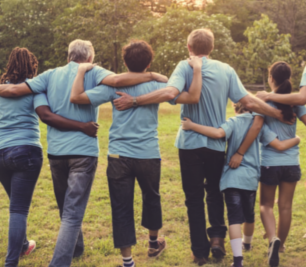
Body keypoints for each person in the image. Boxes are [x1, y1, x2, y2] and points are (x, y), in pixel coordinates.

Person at [112, 29, 292, 266]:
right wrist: (277, 113)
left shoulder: (184, 66)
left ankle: (199, 252)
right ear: (212, 48)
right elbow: (247, 101)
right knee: (215, 193)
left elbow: (169, 92)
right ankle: (217, 238)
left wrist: (134, 100)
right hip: (216, 143)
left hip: (189, 144)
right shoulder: (225, 69)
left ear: (189, 47)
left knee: (194, 198)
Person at [0, 39, 168, 267]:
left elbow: (14, 89)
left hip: (56, 153)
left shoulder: (49, 75)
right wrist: (153, 76)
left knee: (64, 206)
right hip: (83, 151)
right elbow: (117, 80)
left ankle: (76, 248)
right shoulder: (94, 71)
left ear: (68, 56)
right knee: (72, 212)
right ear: (89, 58)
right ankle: (59, 263)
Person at [69, 40, 202, 267]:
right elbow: (189, 96)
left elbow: (79, 97)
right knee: (152, 197)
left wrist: (80, 73)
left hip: (119, 155)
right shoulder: (160, 85)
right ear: (149, 61)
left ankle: (127, 260)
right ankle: (152, 243)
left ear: (124, 62)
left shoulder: (113, 86)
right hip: (148, 154)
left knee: (121, 205)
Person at [235, 61, 306, 267]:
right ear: (289, 79)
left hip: (270, 163)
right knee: (286, 207)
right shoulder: (295, 103)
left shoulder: (264, 101)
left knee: (265, 205)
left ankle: (273, 239)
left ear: (271, 78)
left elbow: (255, 126)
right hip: (291, 164)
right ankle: (280, 247)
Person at [0, 47, 101, 267]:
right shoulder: (35, 88)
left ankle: (24, 244)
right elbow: (45, 115)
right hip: (25, 151)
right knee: (18, 209)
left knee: (15, 205)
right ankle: (11, 262)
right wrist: (82, 125)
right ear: (32, 67)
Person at [181, 102, 301, 267]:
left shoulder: (233, 122)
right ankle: (247, 244)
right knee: (249, 215)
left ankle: (238, 260)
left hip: (231, 178)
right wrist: (297, 139)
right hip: (250, 179)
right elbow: (279, 145)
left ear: (235, 108)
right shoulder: (260, 125)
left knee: (234, 219)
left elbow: (217, 133)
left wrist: (191, 125)